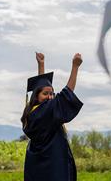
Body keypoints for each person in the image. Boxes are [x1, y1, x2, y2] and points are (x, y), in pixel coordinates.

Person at [21, 52, 83, 181]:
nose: (50, 97)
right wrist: (75, 67)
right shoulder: (42, 113)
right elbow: (66, 95)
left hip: (40, 166)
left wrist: (41, 65)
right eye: (45, 94)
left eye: (52, 94)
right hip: (52, 167)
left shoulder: (32, 113)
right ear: (36, 95)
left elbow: (43, 94)